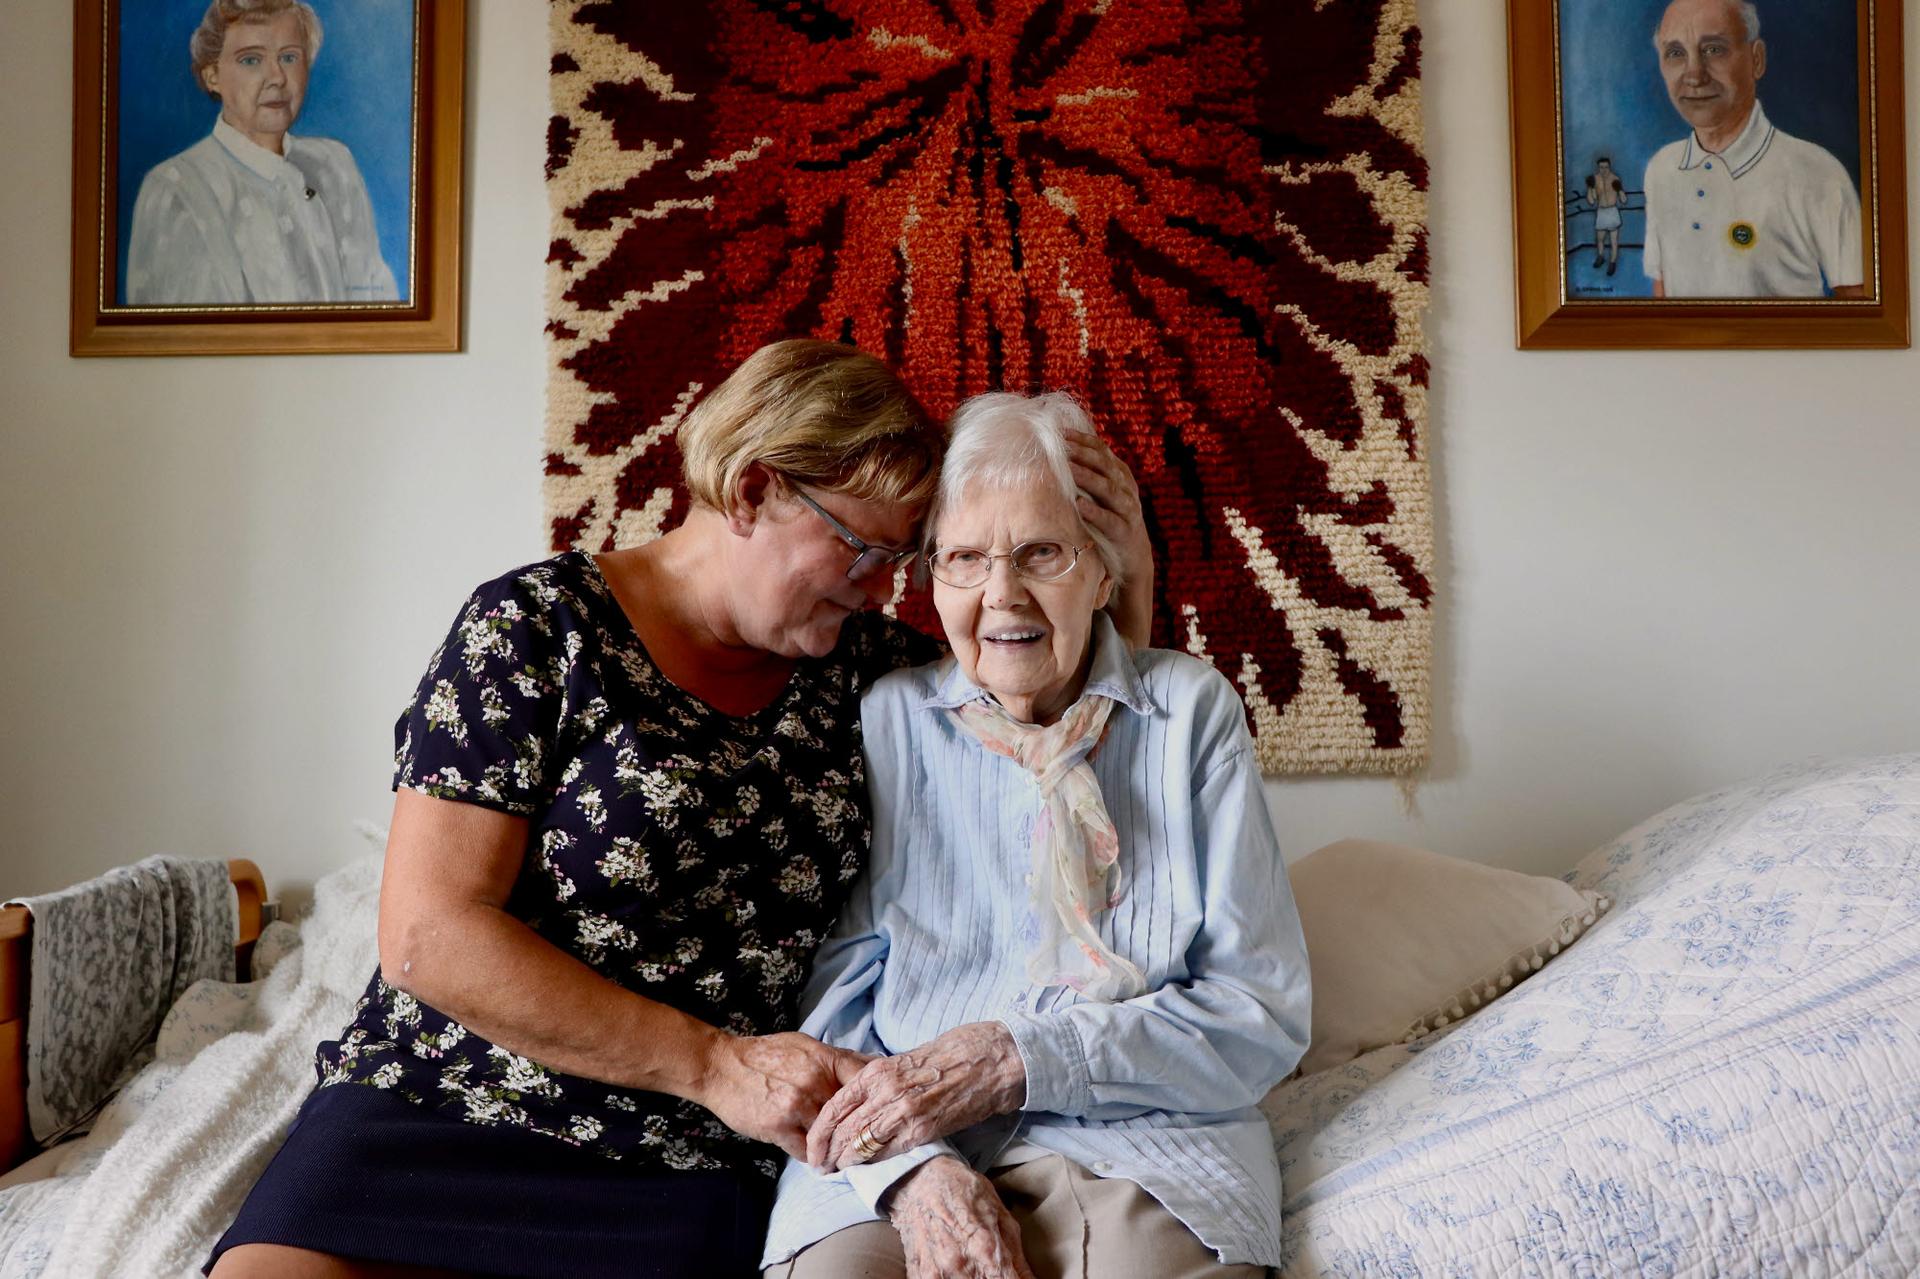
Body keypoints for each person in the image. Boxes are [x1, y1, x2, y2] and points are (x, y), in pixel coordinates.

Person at [206, 343, 1155, 1279]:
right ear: (752, 491)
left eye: (902, 560)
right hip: (447, 1102)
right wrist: (715, 1064)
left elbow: (1066, 780)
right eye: (862, 549)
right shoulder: (535, 629)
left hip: (686, 1161)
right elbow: (429, 932)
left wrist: (1128, 591)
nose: (881, 589)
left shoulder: (874, 676)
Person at [761, 392, 1310, 1279]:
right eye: (965, 559)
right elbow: (833, 999)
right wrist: (910, 1167)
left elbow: (1261, 1016)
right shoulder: (888, 718)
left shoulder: (1189, 713)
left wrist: (1020, 1056)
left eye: (1041, 553)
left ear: (1103, 572)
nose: (1001, 595)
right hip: (900, 1142)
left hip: (1144, 1139)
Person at [126, 0, 399, 305]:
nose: (278, 77)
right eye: (251, 60)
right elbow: (186, 339)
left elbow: (375, 302)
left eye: (289, 57)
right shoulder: (177, 189)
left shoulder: (334, 165)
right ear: (212, 75)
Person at [1642, 0, 1864, 299]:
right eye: (1676, 53)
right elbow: (1663, 292)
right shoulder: (1661, 170)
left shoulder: (1819, 174)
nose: (1694, 75)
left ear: (1756, 59)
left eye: (1713, 49)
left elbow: (1862, 311)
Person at [1585, 157, 1626, 275]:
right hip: (1601, 211)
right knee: (1600, 239)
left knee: (1613, 241)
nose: (1604, 170)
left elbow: (1623, 200)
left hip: (1612, 212)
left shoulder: (1615, 179)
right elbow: (1591, 201)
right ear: (1598, 167)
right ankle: (1601, 257)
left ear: (1609, 167)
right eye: (1601, 167)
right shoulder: (1595, 179)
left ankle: (1612, 263)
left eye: (1606, 167)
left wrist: (1619, 190)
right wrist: (1590, 187)